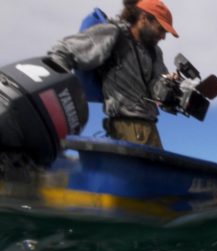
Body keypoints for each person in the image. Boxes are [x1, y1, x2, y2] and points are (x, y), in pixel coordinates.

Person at [48, 0, 179, 148]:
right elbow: (64, 50)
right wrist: (59, 90)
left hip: (151, 128)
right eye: (161, 29)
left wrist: (171, 88)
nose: (163, 37)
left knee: (154, 171)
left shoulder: (155, 52)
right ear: (144, 18)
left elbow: (158, 94)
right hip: (125, 126)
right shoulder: (113, 33)